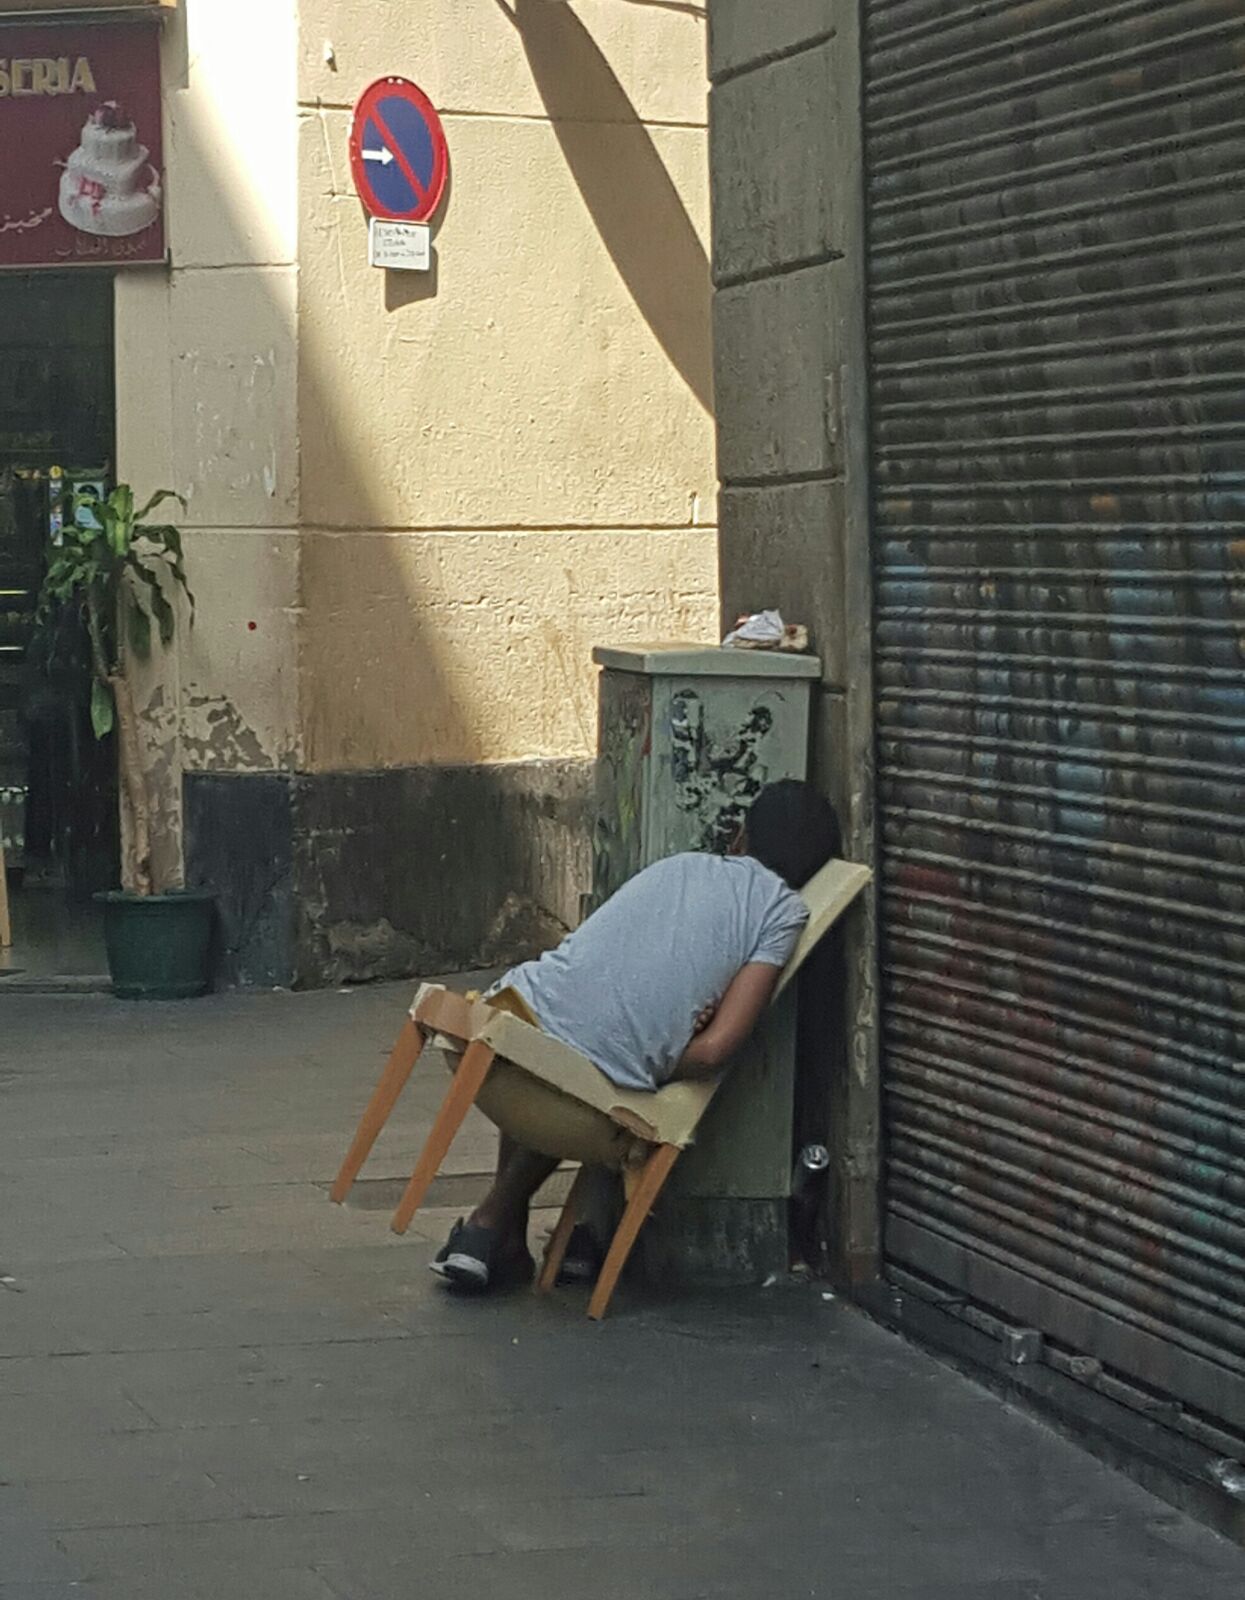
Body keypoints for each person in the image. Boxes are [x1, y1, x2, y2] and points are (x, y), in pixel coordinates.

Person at [431, 779, 841, 1292]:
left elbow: (606, 963)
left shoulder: (681, 866)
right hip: (572, 1077)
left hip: (495, 1034)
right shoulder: (783, 913)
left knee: (563, 1045)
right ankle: (493, 1225)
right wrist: (661, 1049)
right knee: (590, 1062)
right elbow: (717, 1048)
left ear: (739, 839)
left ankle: (495, 1232)